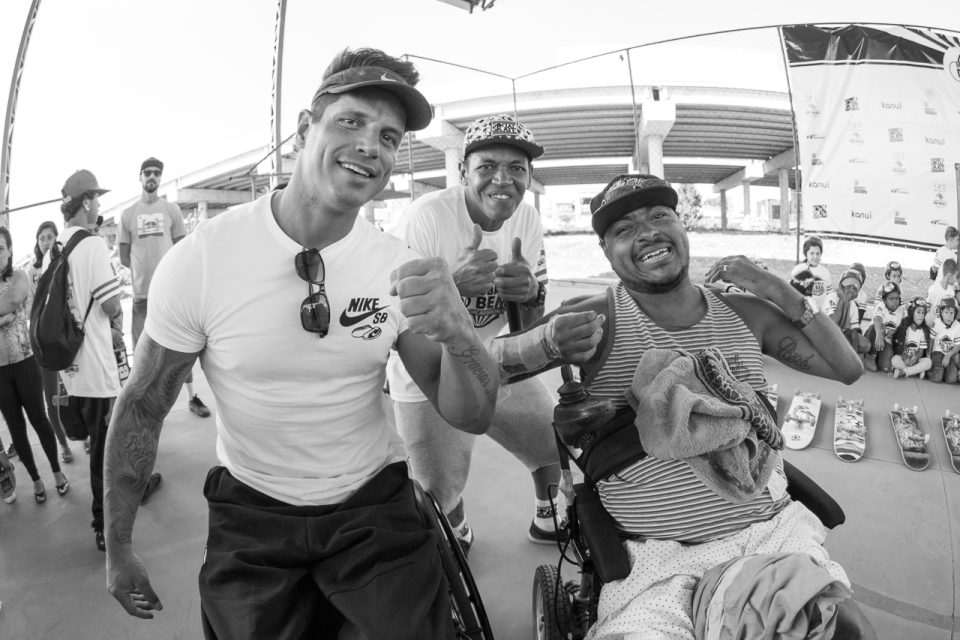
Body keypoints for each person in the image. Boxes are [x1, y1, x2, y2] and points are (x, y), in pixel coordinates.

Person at [104, 48, 499, 639]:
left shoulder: (399, 267)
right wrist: (119, 547)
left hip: (372, 505)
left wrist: (461, 333)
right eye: (351, 121)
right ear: (303, 129)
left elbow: (469, 413)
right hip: (253, 509)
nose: (370, 146)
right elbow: (142, 405)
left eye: (388, 137)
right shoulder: (203, 260)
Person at [492, 174, 873, 639]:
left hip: (769, 538)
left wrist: (774, 288)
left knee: (845, 630)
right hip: (654, 564)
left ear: (681, 226)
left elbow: (846, 367)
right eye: (624, 229)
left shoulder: (746, 313)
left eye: (659, 215)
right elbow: (489, 373)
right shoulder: (595, 318)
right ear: (606, 252)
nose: (647, 232)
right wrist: (537, 323)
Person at [386, 113, 561, 552]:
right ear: (464, 170)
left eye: (516, 168)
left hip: (492, 355)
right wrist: (452, 288)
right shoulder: (426, 218)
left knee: (554, 440)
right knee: (438, 491)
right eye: (487, 166)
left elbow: (526, 330)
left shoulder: (527, 220)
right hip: (428, 368)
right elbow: (394, 316)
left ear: (529, 177)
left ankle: (549, 517)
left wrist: (529, 294)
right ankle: (457, 526)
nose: (503, 179)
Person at [47, 170, 123, 548]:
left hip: (70, 368)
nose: (99, 205)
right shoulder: (92, 245)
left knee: (98, 444)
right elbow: (111, 305)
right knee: (105, 453)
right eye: (96, 198)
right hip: (97, 369)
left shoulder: (56, 247)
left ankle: (120, 499)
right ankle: (104, 525)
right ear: (87, 201)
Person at [119, 156, 211, 420]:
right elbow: (124, 257)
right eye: (147, 172)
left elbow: (183, 250)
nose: (152, 176)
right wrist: (144, 272)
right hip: (141, 297)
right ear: (140, 177)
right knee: (142, 353)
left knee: (182, 347)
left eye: (156, 173)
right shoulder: (127, 215)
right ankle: (142, 405)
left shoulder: (171, 211)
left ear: (160, 178)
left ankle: (192, 396)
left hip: (170, 294)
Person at [0, 227, 70, 504]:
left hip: (26, 363)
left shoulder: (18, 276)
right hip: (0, 372)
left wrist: (6, 311)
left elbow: (14, 299)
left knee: (39, 419)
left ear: (9, 250)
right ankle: (36, 480)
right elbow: (6, 306)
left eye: (1, 248)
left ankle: (56, 472)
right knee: (16, 429)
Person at [25, 221, 73, 463]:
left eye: (50, 237)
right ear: (37, 242)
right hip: (43, 343)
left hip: (66, 339)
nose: (46, 241)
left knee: (74, 391)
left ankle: (82, 435)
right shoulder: (31, 272)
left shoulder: (65, 263)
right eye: (41, 238)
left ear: (56, 239)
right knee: (51, 399)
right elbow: (30, 310)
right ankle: (63, 444)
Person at [823, 267, 871, 362]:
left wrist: (854, 357)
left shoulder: (853, 305)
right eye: (848, 286)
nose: (851, 290)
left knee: (866, 345)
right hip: (826, 332)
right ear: (841, 287)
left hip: (842, 334)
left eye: (854, 288)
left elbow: (854, 332)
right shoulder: (832, 297)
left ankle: (846, 353)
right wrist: (842, 300)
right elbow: (833, 322)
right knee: (836, 337)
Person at [865, 281, 906, 373]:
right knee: (880, 327)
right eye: (891, 299)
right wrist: (879, 334)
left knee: (886, 367)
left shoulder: (901, 311)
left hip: (886, 342)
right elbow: (878, 319)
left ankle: (878, 358)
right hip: (874, 336)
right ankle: (870, 356)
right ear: (884, 300)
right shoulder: (881, 306)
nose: (895, 301)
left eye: (897, 298)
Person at [891, 297, 932, 379]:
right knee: (894, 360)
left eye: (923, 313)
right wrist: (905, 357)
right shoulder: (904, 327)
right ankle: (915, 372)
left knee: (928, 362)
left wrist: (915, 358)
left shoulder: (924, 330)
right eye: (918, 312)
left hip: (915, 360)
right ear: (912, 312)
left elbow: (921, 351)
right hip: (903, 358)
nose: (921, 315)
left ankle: (903, 372)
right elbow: (899, 348)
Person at [790, 236, 832, 310]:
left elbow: (829, 294)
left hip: (821, 312)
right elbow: (791, 292)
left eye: (818, 253)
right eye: (812, 253)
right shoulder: (798, 269)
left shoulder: (825, 272)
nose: (815, 256)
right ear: (806, 253)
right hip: (802, 310)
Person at [928, 297, 960, 383]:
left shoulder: (957, 325)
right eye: (946, 312)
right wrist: (928, 355)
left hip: (949, 354)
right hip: (937, 353)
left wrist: (948, 355)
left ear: (955, 313)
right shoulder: (937, 322)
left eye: (951, 313)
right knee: (937, 378)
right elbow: (931, 340)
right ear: (941, 312)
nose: (949, 316)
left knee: (951, 380)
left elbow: (957, 345)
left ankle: (945, 372)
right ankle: (931, 371)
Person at [926, 258, 957, 325]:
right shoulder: (934, 290)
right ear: (949, 275)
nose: (955, 280)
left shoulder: (950, 291)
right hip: (930, 325)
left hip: (940, 326)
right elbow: (926, 307)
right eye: (955, 276)